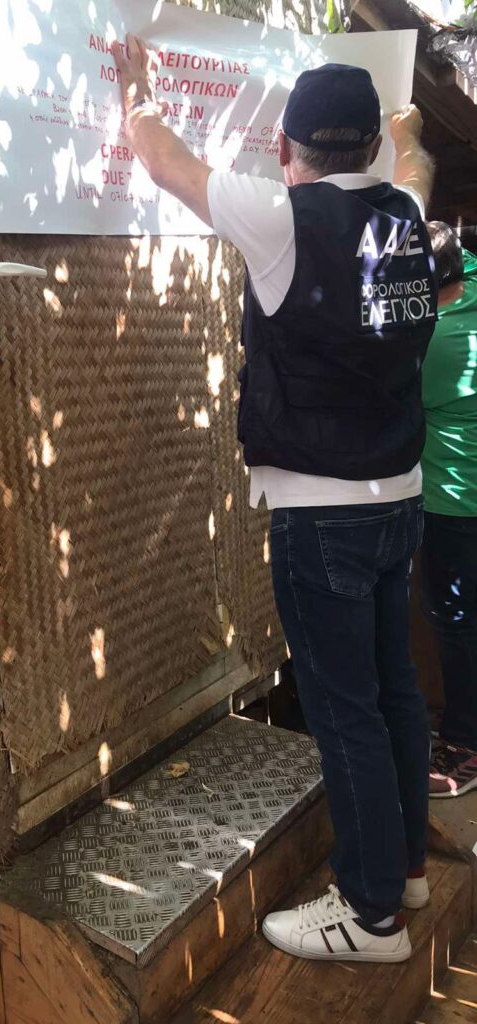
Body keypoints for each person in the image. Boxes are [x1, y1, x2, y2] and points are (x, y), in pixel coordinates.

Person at [114, 36, 437, 963]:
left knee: (345, 711)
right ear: (370, 149)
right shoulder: (407, 220)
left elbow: (164, 161)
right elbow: (416, 168)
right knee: (394, 691)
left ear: (286, 150)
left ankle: (372, 916)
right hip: (398, 502)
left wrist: (135, 90)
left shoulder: (282, 219)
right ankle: (405, 871)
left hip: (321, 515)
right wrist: (409, 130)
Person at [421, 222, 477, 797]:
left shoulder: (434, 342)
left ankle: (465, 743)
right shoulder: (474, 283)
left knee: (457, 621)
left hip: (455, 501)